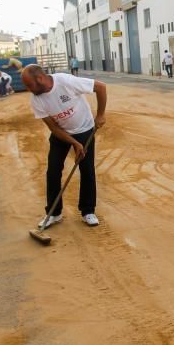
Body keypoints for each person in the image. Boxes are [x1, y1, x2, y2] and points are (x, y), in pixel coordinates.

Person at [21, 64, 107, 228]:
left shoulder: (66, 82)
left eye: (29, 85)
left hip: (84, 129)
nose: (27, 89)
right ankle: (54, 213)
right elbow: (53, 128)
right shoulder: (36, 100)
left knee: (87, 169)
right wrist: (74, 143)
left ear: (39, 78)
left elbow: (100, 87)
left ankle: (88, 211)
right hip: (61, 134)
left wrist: (101, 115)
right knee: (53, 171)